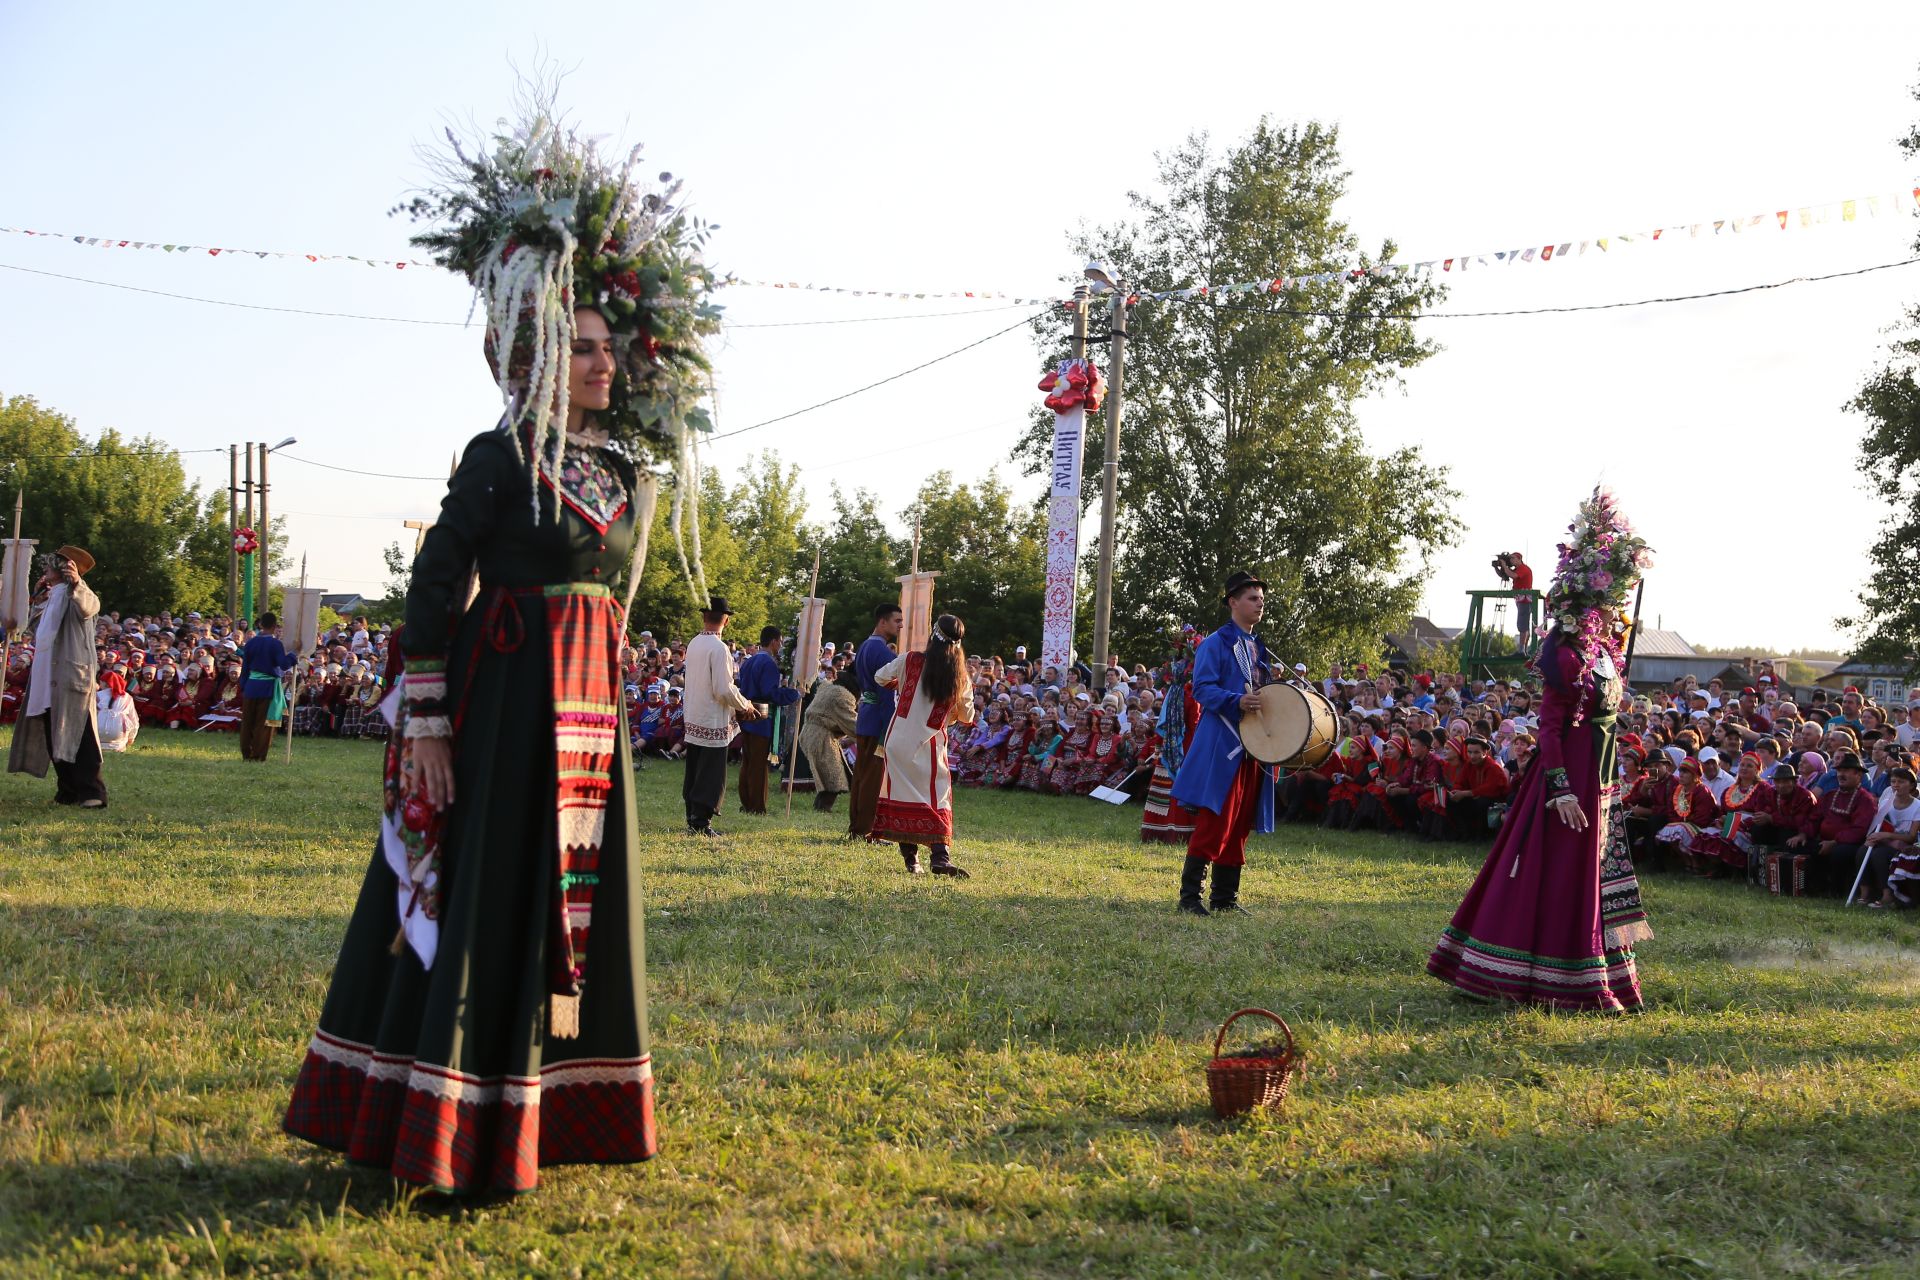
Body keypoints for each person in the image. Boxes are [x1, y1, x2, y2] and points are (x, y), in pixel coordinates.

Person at [285, 107, 718, 1194]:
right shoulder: (498, 454)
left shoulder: (623, 473)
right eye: (582, 346)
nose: (605, 363)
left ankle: (559, 1102)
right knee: (488, 894)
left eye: (611, 348)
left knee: (575, 908)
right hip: (508, 700)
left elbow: (611, 586)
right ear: (532, 352)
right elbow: (435, 589)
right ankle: (443, 1116)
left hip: (589, 716)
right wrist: (427, 725)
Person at [1428, 488, 1653, 1011]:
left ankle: (1599, 971)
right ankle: (1530, 972)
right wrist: (1560, 789)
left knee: (1589, 875)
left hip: (1599, 774)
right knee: (1551, 872)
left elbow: (1608, 712)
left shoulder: (1601, 651)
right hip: (1567, 777)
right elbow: (1550, 726)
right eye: (1604, 602)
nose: (1611, 611)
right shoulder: (1562, 650)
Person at [1171, 571, 1276, 917]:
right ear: (1233, 602)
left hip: (1254, 746)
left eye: (1261, 599)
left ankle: (1225, 898)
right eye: (1252, 598)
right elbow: (1202, 688)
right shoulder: (1215, 643)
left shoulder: (1259, 647)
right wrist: (1236, 701)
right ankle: (1190, 898)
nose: (1259, 604)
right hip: (1224, 742)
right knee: (1217, 818)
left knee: (1240, 821)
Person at [871, 613, 976, 876]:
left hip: (898, 740)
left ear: (933, 634)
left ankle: (912, 861)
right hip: (929, 742)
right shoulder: (960, 675)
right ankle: (940, 858)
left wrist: (901, 683)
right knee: (937, 798)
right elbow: (967, 716)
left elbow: (880, 678)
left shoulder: (909, 660)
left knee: (902, 796)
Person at [7, 547, 107, 808]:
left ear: (64, 569)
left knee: (80, 733)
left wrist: (76, 582)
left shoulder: (79, 593)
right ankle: (68, 790)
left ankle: (92, 792)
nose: (44, 571)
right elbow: (36, 628)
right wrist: (38, 598)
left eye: (49, 566)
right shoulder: (54, 595)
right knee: (53, 731)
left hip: (70, 673)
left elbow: (89, 607)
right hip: (46, 673)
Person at [683, 596, 759, 835]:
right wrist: (745, 705)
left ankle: (692, 816)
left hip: (694, 714)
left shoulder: (694, 643)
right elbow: (723, 689)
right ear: (725, 620)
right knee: (711, 772)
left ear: (704, 617)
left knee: (695, 769)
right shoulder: (719, 648)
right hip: (712, 718)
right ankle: (700, 821)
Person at [848, 603, 904, 840]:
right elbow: (887, 692)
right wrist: (893, 724)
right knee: (872, 777)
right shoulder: (881, 651)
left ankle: (857, 825)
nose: (900, 625)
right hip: (879, 719)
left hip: (867, 716)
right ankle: (865, 830)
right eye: (896, 621)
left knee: (862, 774)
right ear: (883, 622)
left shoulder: (865, 646)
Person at [735, 625, 800, 815]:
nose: (780, 645)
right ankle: (756, 806)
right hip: (760, 716)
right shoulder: (769, 663)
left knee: (748, 761)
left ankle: (746, 801)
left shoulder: (749, 660)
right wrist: (794, 693)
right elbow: (769, 692)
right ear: (773, 641)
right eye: (779, 641)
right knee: (757, 763)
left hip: (746, 713)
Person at [800, 666, 860, 811]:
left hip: (809, 733)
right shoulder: (842, 697)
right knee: (833, 778)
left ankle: (820, 807)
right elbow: (852, 724)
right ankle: (823, 809)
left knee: (830, 776)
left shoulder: (826, 688)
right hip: (821, 737)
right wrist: (870, 733)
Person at [239, 612, 296, 762]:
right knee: (262, 723)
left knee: (247, 722)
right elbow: (283, 664)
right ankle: (258, 755)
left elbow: (244, 668)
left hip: (251, 686)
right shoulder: (275, 643)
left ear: (260, 624)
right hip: (267, 687)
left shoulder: (250, 643)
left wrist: (243, 686)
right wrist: (294, 653)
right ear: (274, 626)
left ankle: (246, 753)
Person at [94, 669, 139, 753]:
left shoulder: (97, 695)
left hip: (98, 731)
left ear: (105, 683)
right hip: (119, 733)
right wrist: (131, 737)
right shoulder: (127, 697)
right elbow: (134, 719)